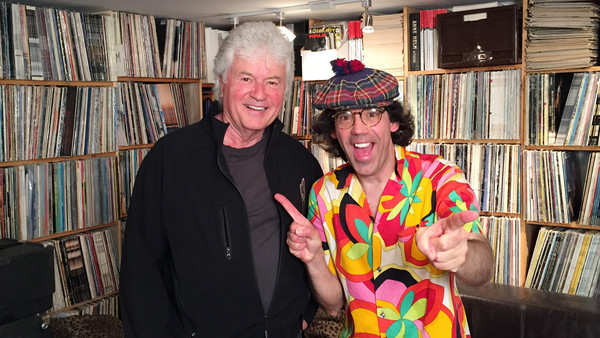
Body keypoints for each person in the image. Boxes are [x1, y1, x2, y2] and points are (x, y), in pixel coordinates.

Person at [119, 21, 323, 337]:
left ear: (285, 89)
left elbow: (318, 250)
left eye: (272, 81)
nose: (260, 94)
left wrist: (303, 312)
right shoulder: (172, 158)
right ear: (222, 81)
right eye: (246, 78)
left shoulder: (301, 163)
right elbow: (140, 268)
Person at [275, 59, 494, 338]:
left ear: (393, 121)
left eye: (371, 113)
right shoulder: (323, 193)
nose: (358, 129)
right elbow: (333, 305)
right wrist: (314, 258)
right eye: (345, 116)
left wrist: (461, 254)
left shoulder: (439, 176)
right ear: (333, 131)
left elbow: (482, 270)